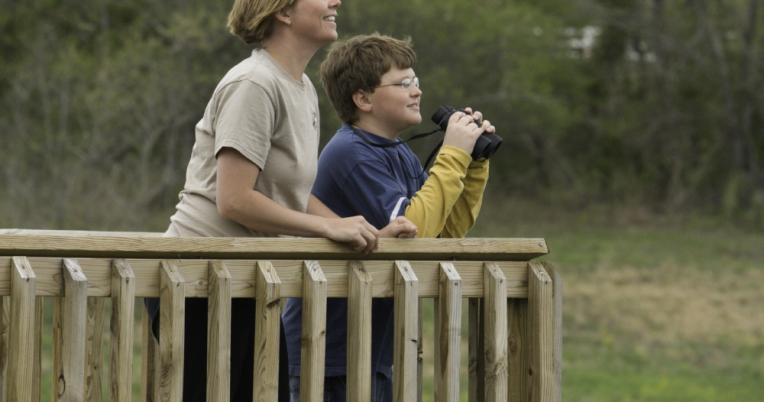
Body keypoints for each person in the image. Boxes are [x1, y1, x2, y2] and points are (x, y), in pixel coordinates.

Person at [148, 3, 417, 401]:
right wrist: (329, 227)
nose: (335, 2)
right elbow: (234, 200)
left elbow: (291, 193)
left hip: (245, 281)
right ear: (284, 13)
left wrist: (365, 232)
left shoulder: (301, 88)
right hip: (197, 282)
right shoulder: (254, 84)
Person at [282, 33, 494, 401]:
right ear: (363, 99)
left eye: (417, 81)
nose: (417, 92)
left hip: (372, 347)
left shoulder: (395, 152)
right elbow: (419, 232)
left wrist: (473, 164)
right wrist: (452, 153)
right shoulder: (352, 152)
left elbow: (444, 232)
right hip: (328, 351)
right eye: (404, 83)